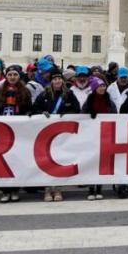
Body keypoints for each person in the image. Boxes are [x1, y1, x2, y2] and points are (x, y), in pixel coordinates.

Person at [32, 70, 80, 201]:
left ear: (63, 81)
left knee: (60, 160)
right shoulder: (44, 94)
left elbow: (77, 109)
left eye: (59, 79)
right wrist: (42, 112)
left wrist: (66, 113)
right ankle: (48, 189)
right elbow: (34, 109)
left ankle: (58, 188)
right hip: (46, 133)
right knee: (47, 160)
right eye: (55, 79)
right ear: (51, 81)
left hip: (62, 134)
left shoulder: (69, 95)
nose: (57, 81)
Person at [0, 65, 32, 203]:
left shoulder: (25, 91)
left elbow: (29, 109)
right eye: (10, 75)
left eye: (15, 75)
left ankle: (15, 189)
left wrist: (28, 115)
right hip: (2, 129)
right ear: (6, 76)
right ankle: (5, 190)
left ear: (19, 77)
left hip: (18, 130)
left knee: (16, 160)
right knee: (3, 161)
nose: (12, 77)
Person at [81, 77, 116, 201]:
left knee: (102, 162)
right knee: (92, 162)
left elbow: (115, 114)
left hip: (105, 134)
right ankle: (91, 189)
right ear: (94, 88)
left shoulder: (109, 100)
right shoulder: (89, 100)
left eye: (103, 86)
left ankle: (99, 188)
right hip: (92, 135)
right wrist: (89, 116)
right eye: (99, 86)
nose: (102, 88)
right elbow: (82, 115)